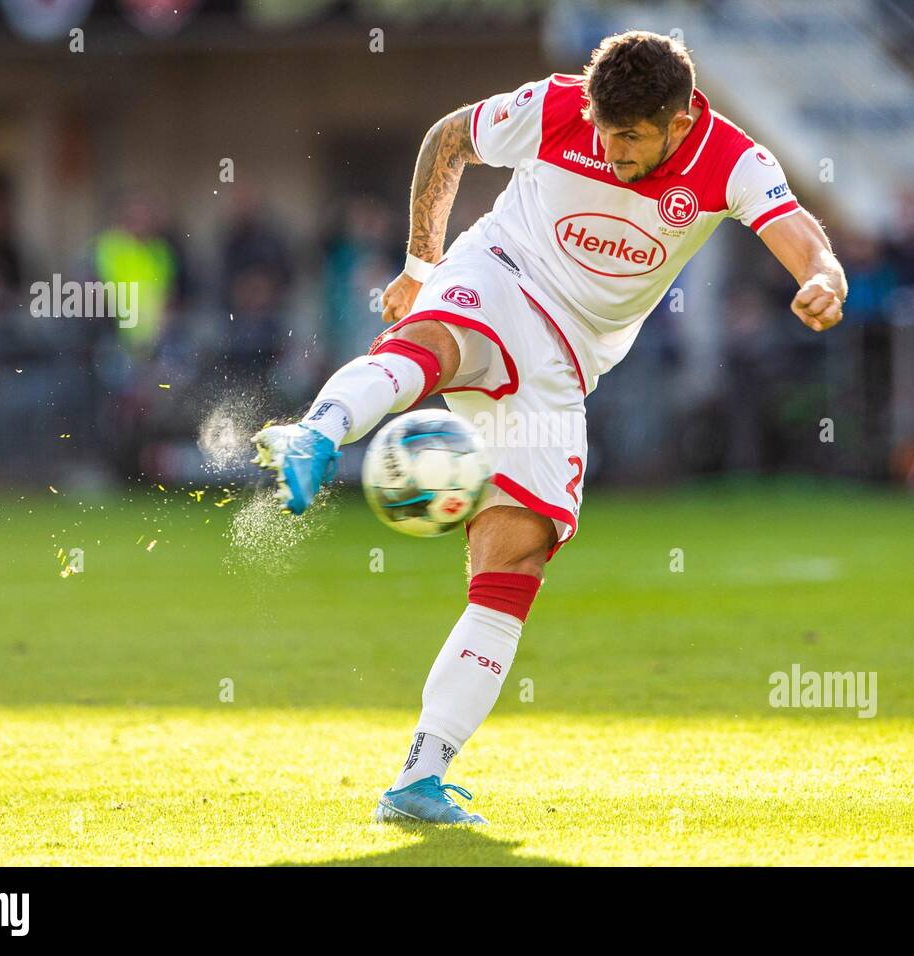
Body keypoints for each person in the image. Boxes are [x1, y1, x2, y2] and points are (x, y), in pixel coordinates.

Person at [251, 31, 847, 825]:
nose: (609, 145)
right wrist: (422, 266)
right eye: (603, 128)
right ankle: (318, 433)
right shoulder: (559, 105)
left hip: (566, 362)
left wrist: (823, 275)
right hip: (500, 270)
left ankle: (419, 778)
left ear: (678, 123)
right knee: (440, 343)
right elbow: (449, 139)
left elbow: (797, 230)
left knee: (516, 556)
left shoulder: (731, 161)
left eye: (629, 136)